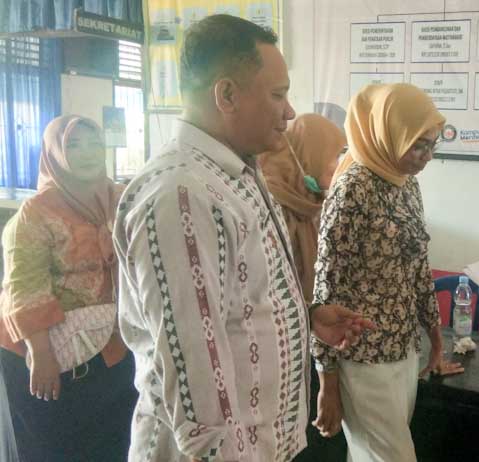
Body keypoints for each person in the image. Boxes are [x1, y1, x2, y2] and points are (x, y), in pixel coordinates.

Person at [114, 15, 372, 462]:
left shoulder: (234, 174)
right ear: (227, 95)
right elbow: (197, 385)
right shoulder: (183, 194)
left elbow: (232, 303)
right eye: (278, 94)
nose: (289, 112)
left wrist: (303, 316)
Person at [311, 83, 463, 461]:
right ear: (389, 134)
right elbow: (325, 290)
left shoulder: (407, 184)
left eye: (432, 145)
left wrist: (435, 335)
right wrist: (327, 382)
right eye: (418, 145)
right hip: (362, 357)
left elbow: (418, 267)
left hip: (404, 350)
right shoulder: (352, 189)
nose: (427, 156)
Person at [0, 115, 136, 461]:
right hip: (44, 349)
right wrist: (41, 353)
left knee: (113, 440)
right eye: (73, 145)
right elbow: (24, 287)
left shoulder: (119, 199)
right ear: (55, 154)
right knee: (54, 446)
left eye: (94, 144)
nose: (87, 153)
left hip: (107, 342)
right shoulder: (34, 214)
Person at [259, 113, 346, 301]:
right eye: (333, 157)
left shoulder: (309, 201)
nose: (337, 166)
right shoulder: (273, 204)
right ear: (310, 155)